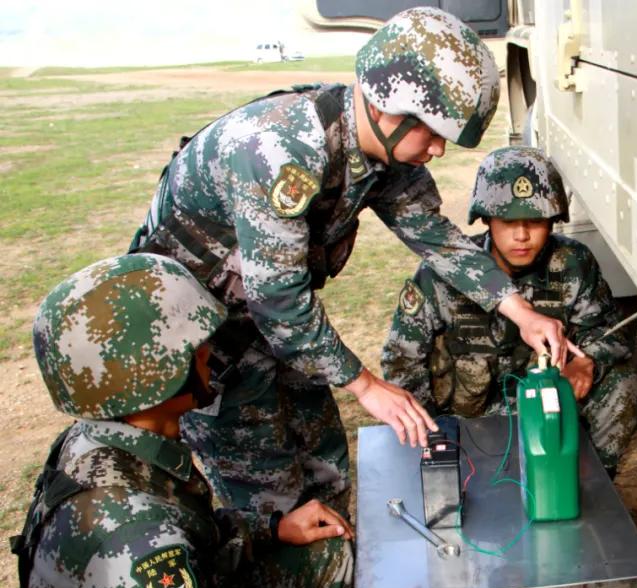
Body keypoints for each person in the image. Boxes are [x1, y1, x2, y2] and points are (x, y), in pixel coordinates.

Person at [128, 7, 567, 530]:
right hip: (207, 354)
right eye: (432, 132)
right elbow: (279, 299)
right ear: (388, 108)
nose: (439, 149)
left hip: (276, 335)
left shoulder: (382, 154)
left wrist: (518, 310)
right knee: (270, 504)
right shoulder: (280, 148)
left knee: (327, 469)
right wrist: (365, 385)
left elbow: (437, 238)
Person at [14, 254, 365, 588]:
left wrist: (272, 528)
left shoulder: (102, 442)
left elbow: (187, 534)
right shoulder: (125, 530)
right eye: (193, 343)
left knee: (322, 552)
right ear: (153, 374)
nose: (208, 350)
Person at [381, 146, 637, 477]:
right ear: (487, 219)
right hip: (465, 422)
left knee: (622, 384)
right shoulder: (444, 271)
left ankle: (589, 485)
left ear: (552, 221)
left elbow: (610, 333)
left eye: (534, 221)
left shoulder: (572, 263)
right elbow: (400, 363)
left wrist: (586, 361)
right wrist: (434, 441)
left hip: (546, 412)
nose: (522, 236)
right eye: (508, 222)